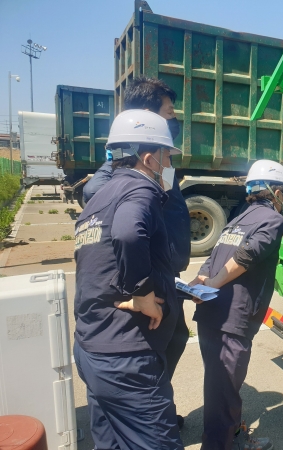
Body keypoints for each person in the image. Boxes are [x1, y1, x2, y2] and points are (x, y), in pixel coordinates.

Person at [83, 76, 191, 429]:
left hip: (164, 273)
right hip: (143, 284)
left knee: (175, 337)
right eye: (169, 112)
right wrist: (142, 288)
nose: (175, 119)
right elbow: (110, 210)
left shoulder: (155, 163)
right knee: (153, 349)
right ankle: (148, 409)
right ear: (147, 115)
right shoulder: (127, 172)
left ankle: (153, 403)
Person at [188, 160, 283, 450]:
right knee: (224, 392)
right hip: (232, 319)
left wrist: (201, 280)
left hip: (211, 314)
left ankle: (233, 436)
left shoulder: (238, 217)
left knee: (219, 387)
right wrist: (212, 283)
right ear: (277, 192)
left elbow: (214, 256)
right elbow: (247, 256)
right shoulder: (272, 220)